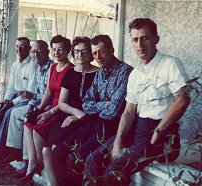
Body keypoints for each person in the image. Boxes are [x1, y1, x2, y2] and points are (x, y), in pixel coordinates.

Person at [84, 18, 191, 186]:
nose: (140, 44)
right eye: (135, 39)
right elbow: (128, 112)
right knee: (93, 160)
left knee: (114, 171)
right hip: (137, 131)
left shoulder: (170, 63)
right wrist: (118, 142)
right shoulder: (136, 74)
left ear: (156, 39)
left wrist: (159, 130)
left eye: (145, 38)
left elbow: (183, 99)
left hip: (162, 136)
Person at [51, 35, 133, 185]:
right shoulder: (100, 73)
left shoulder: (125, 72)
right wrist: (103, 104)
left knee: (76, 158)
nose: (98, 57)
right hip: (95, 122)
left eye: (101, 52)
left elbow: (114, 111)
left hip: (112, 126)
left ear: (111, 50)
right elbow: (86, 102)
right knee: (57, 153)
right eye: (95, 53)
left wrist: (97, 106)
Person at [42, 36, 99, 186]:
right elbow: (62, 103)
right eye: (77, 51)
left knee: (58, 150)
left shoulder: (98, 73)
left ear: (91, 53)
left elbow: (98, 103)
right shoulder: (70, 73)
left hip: (88, 118)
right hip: (67, 114)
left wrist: (80, 116)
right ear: (73, 53)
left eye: (84, 51)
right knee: (46, 151)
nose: (80, 55)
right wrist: (76, 113)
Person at [21, 35, 74, 182]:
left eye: (60, 50)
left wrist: (48, 113)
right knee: (28, 121)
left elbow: (65, 100)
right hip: (51, 106)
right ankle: (32, 163)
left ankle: (41, 164)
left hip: (61, 109)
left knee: (38, 128)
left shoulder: (71, 70)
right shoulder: (52, 67)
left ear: (68, 50)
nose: (57, 53)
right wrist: (39, 109)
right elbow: (48, 92)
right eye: (54, 50)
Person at [0, 37, 37, 161]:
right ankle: (3, 149)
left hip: (27, 100)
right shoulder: (15, 65)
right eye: (17, 46)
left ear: (28, 48)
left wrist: (12, 103)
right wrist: (6, 101)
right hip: (16, 99)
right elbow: (11, 87)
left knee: (8, 113)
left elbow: (30, 93)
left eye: (22, 46)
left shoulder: (32, 66)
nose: (19, 49)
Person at [4, 40, 54, 176]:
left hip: (48, 107)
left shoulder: (52, 68)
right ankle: (18, 155)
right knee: (17, 113)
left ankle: (29, 163)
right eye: (33, 51)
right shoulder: (38, 68)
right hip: (38, 104)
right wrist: (32, 105)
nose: (35, 54)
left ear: (47, 52)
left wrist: (36, 108)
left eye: (39, 51)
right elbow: (37, 94)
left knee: (26, 118)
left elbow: (51, 95)